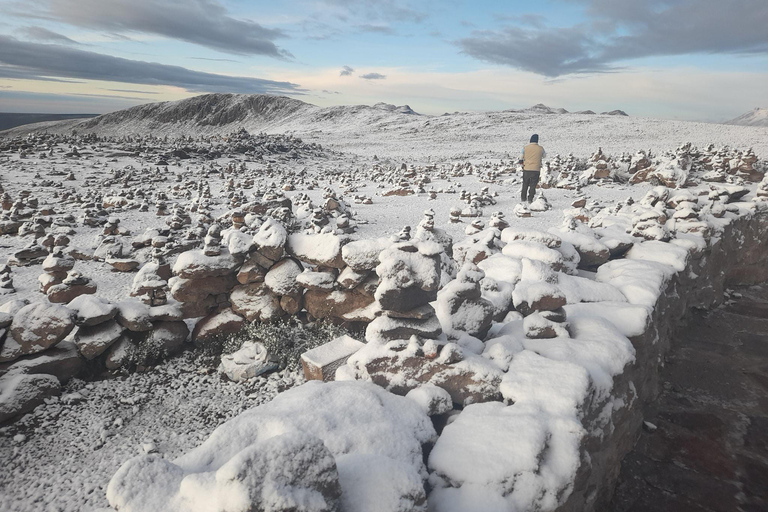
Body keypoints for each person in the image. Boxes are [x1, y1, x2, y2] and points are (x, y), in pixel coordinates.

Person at [518, 134, 546, 205]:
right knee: (533, 185)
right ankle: (530, 198)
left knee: (525, 183)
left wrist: (522, 164)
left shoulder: (525, 148)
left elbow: (520, 158)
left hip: (527, 168)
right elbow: (544, 156)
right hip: (536, 169)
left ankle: (523, 197)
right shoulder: (541, 148)